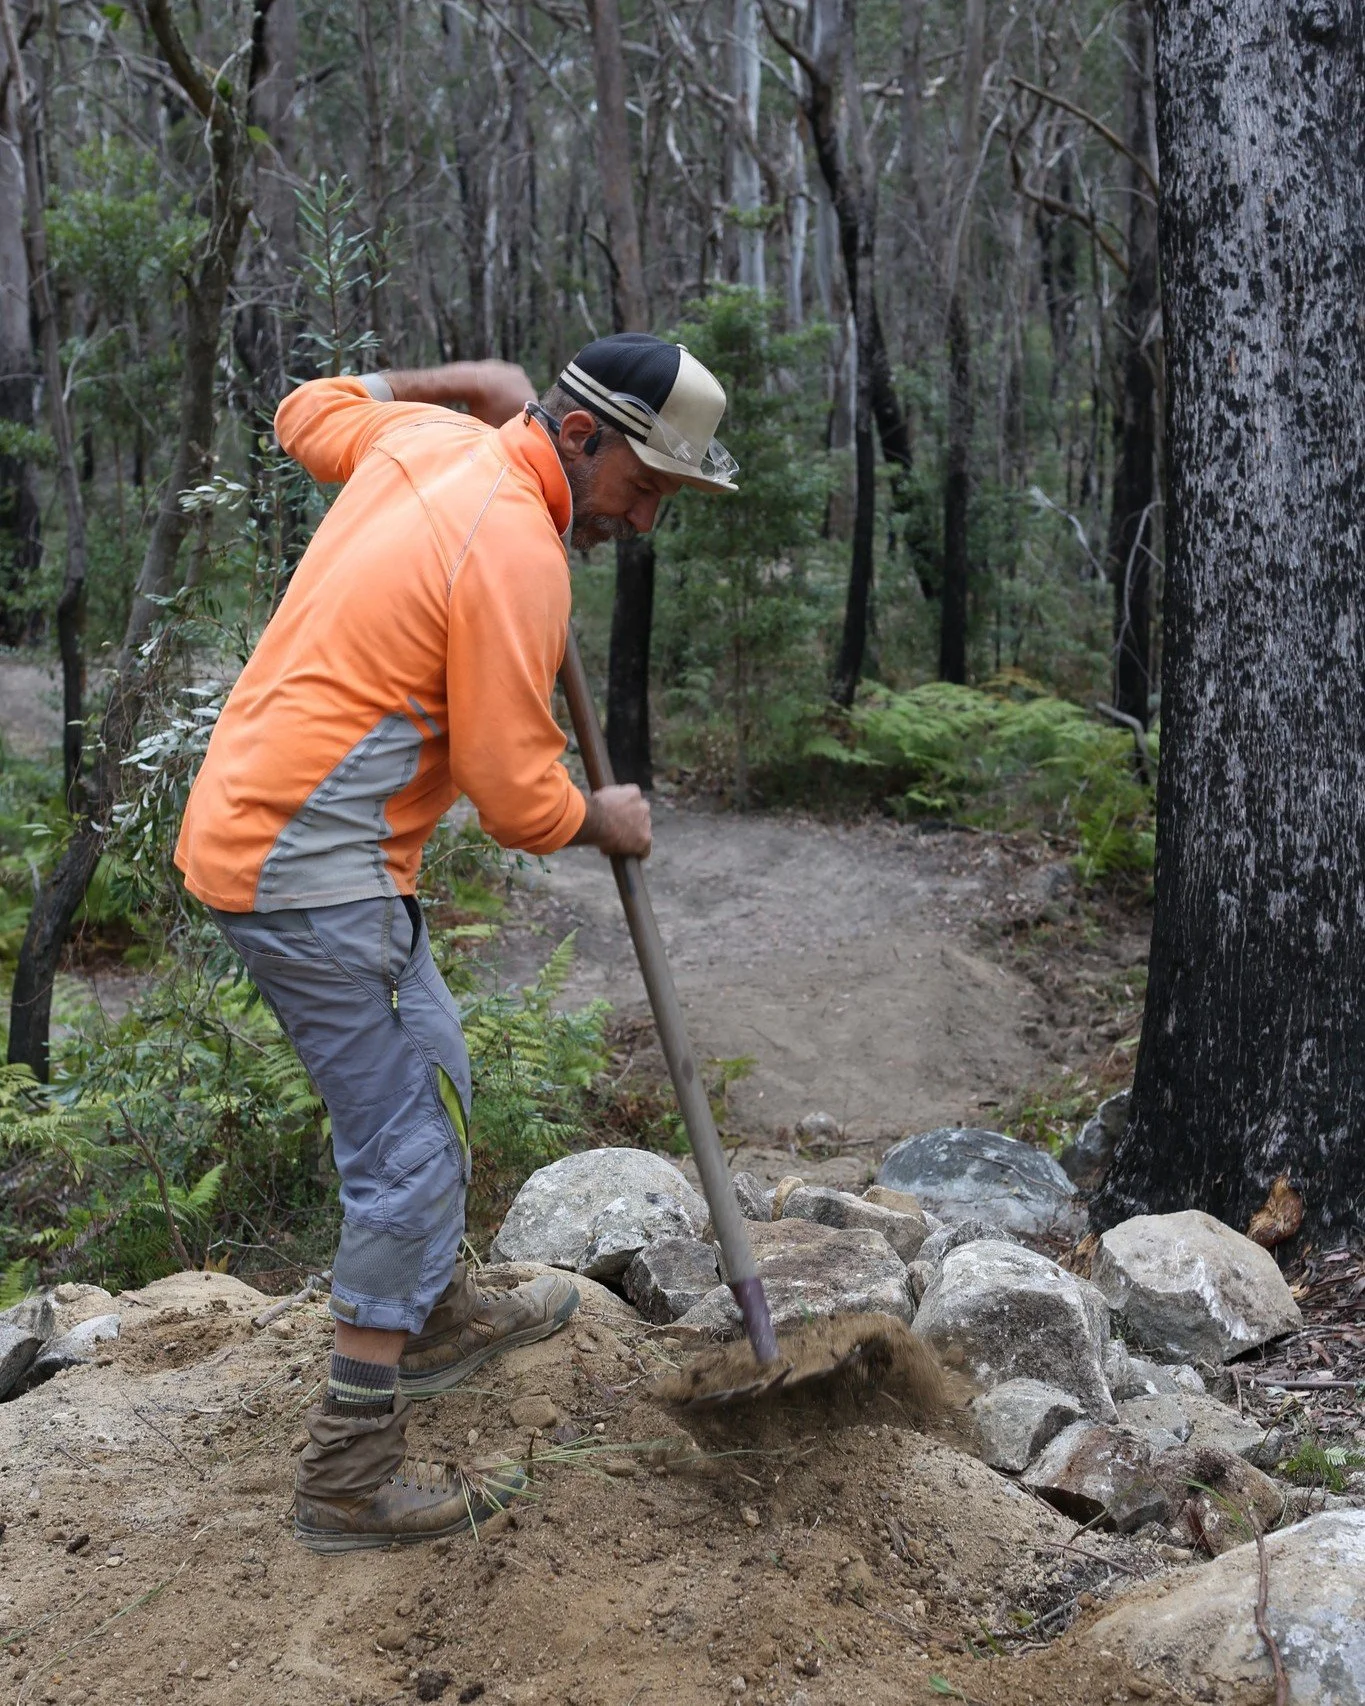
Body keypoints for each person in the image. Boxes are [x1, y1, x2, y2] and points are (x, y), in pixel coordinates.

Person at [174, 333, 738, 1551]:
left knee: (433, 1054)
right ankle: (347, 1476)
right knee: (411, 1152)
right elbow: (518, 797)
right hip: (309, 871)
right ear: (579, 437)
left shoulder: (427, 438)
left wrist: (463, 386)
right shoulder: (518, 552)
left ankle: (430, 1313)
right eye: (645, 490)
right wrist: (606, 813)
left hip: (275, 834)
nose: (642, 524)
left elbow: (303, 408)